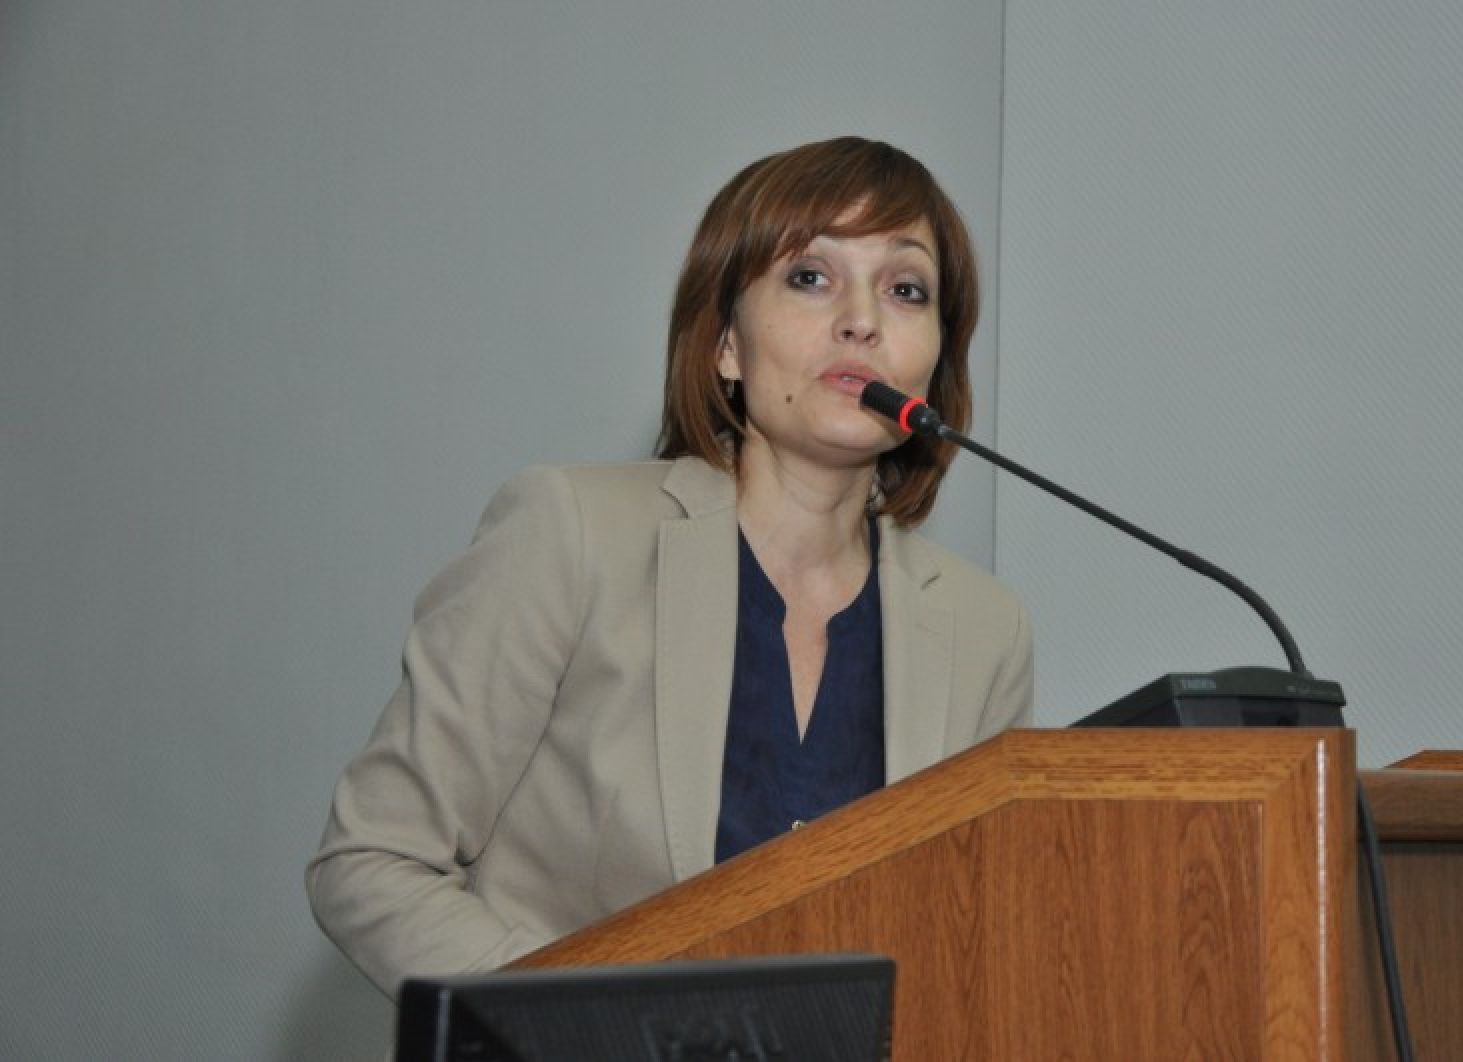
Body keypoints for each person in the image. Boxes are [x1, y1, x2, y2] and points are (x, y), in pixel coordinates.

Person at [306, 136, 1034, 999]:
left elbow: (966, 953)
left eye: (906, 289)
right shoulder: (572, 533)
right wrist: (593, 1031)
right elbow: (371, 861)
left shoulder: (985, 632)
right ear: (726, 344)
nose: (863, 320)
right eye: (810, 276)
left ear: (935, 364)